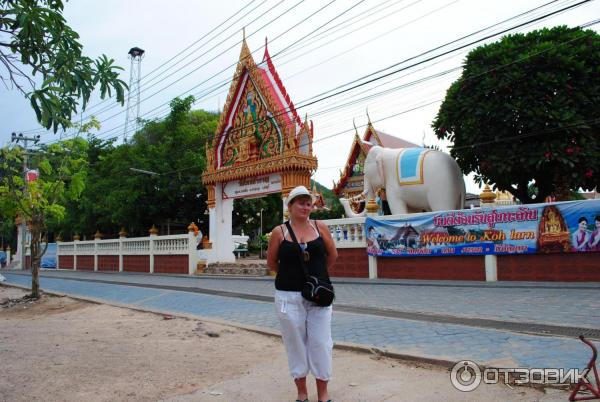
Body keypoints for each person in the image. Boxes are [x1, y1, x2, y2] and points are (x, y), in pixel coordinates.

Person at [267, 185, 338, 402]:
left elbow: (332, 255)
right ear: (290, 205)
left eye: (308, 203)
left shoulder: (319, 227)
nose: (305, 207)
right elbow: (271, 262)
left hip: (318, 297)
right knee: (295, 344)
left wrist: (316, 278)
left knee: (321, 343)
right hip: (288, 298)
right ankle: (302, 394)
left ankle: (323, 395)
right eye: (300, 202)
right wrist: (292, 277)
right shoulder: (280, 232)